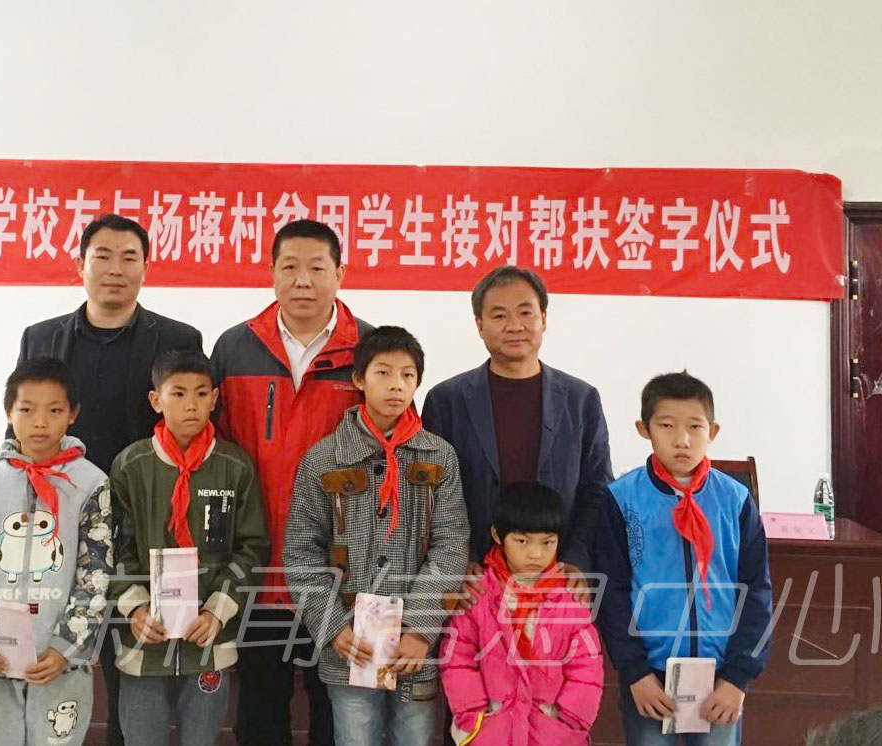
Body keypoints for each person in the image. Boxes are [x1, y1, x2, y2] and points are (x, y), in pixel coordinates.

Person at [16, 213, 202, 745]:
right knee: (51, 655)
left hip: (140, 532)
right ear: (80, 265)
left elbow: (189, 429)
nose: (115, 269)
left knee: (131, 669)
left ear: (146, 267)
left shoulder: (178, 339)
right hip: (58, 527)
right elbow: (21, 425)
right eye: (103, 256)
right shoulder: (41, 338)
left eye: (129, 257)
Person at [211, 218, 371, 746]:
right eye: (290, 267)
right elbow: (216, 457)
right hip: (258, 569)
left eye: (317, 268)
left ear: (340, 273)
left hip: (340, 575)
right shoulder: (235, 348)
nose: (303, 280)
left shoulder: (369, 351)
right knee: (259, 714)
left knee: (337, 714)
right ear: (272, 272)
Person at [284, 326, 469, 746]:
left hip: (414, 651)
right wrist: (334, 627)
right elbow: (301, 552)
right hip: (350, 646)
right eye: (383, 372)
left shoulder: (439, 456)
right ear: (359, 379)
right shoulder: (323, 459)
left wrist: (420, 630)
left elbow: (451, 545)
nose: (396, 385)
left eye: (407, 375)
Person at [0, 356, 114, 746]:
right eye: (27, 410)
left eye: (54, 410)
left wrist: (66, 647)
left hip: (61, 665)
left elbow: (96, 577)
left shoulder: (91, 483)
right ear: (8, 412)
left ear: (73, 414)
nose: (40, 422)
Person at [595, 372, 773, 746]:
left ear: (713, 431)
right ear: (644, 429)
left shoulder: (735, 500)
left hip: (721, 677)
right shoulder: (621, 499)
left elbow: (756, 591)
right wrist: (634, 672)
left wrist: (738, 677)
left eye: (695, 426)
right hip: (649, 676)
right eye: (666, 425)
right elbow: (611, 593)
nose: (682, 440)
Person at [422, 266, 612, 605]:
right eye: (499, 315)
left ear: (543, 319)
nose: (514, 326)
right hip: (476, 583)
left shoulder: (581, 399)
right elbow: (432, 494)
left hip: (556, 579)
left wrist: (577, 558)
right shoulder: (446, 400)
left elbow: (596, 488)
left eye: (525, 313)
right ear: (479, 325)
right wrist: (459, 560)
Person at [109, 349, 270, 746]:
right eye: (178, 394)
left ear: (215, 399)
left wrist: (218, 610)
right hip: (145, 641)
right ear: (156, 400)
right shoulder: (130, 465)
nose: (191, 405)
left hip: (209, 640)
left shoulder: (235, 465)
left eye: (201, 394)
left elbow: (252, 546)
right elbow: (113, 546)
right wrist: (135, 608)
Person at [440, 482, 603, 745]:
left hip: (550, 731)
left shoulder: (570, 598)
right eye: (522, 541)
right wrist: (473, 717)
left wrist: (568, 721)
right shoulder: (478, 593)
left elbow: (586, 666)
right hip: (491, 728)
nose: (536, 554)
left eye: (548, 542)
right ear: (497, 535)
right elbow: (458, 656)